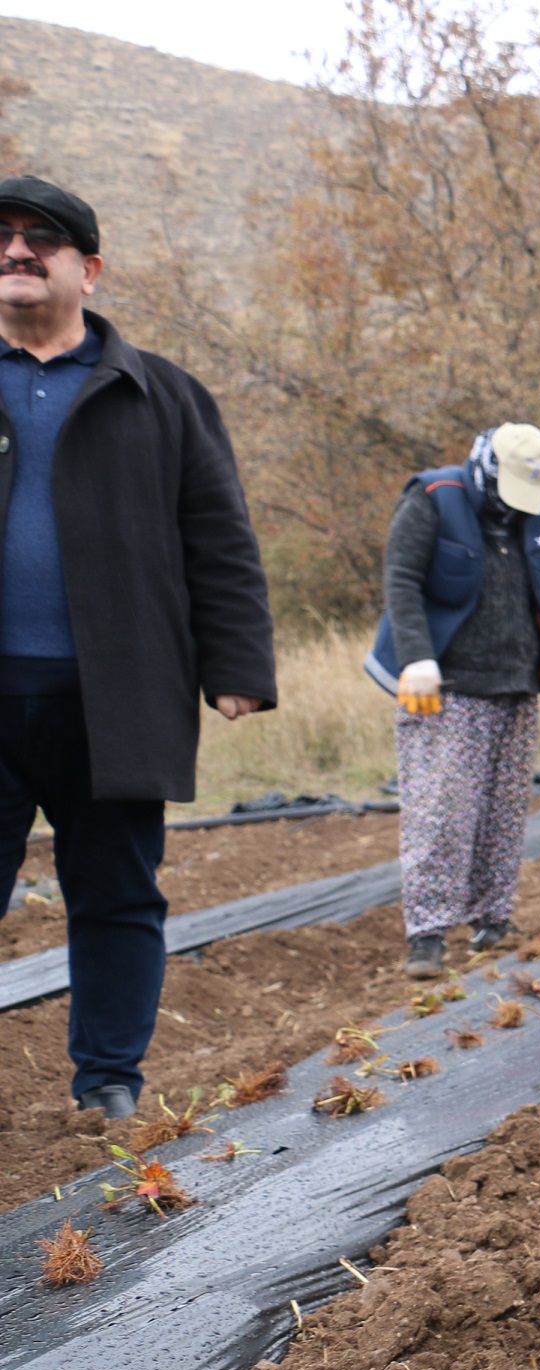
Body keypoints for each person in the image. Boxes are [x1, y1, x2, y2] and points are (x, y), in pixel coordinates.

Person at [0, 176, 275, 1120]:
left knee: (116, 894)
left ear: (90, 267)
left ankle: (108, 1079)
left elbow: (219, 534)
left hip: (112, 700)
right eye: (2, 238)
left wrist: (235, 664)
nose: (18, 251)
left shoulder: (161, 394)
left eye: (44, 238)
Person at [365, 423, 540, 978]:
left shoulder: (533, 514)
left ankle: (491, 921)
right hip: (446, 688)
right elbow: (401, 580)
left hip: (515, 683)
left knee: (503, 813)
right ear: (487, 469)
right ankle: (429, 936)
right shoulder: (434, 499)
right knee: (442, 813)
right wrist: (417, 659)